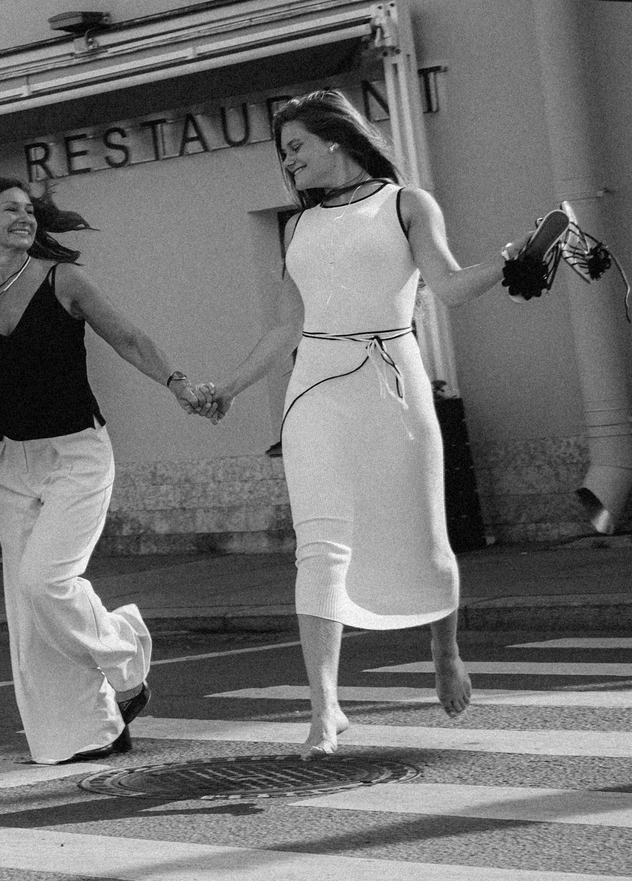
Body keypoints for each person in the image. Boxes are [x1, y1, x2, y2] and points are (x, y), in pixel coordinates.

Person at [197, 89, 515, 753]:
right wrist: (229, 386)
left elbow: (449, 285)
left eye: (295, 148)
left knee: (424, 528)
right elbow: (285, 325)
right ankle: (325, 708)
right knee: (319, 543)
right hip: (316, 389)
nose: (287, 163)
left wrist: (511, 264)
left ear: (334, 140)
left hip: (392, 380)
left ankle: (445, 650)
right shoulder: (298, 227)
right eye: (283, 154)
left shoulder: (405, 204)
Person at [0, 179, 212, 763]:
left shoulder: (62, 278)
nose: (25, 217)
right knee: (29, 612)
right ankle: (87, 731)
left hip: (76, 454)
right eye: (11, 209)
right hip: (9, 463)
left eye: (30, 210)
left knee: (47, 583)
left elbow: (128, 337)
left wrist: (178, 384)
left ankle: (125, 658)